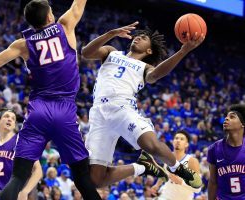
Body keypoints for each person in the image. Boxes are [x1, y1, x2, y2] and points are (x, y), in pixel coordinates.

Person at [0, 0, 102, 199]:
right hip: (65, 111)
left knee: (17, 177)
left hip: (38, 112)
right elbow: (78, 4)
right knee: (82, 177)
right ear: (50, 17)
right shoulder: (65, 25)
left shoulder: (23, 44)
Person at [82, 22, 204, 189]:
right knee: (96, 181)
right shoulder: (111, 52)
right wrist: (110, 33)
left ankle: (178, 168)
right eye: (138, 35)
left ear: (149, 51)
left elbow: (154, 76)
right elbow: (86, 53)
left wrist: (183, 51)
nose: (138, 37)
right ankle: (143, 167)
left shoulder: (145, 66)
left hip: (123, 108)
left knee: (151, 145)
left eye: (144, 37)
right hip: (98, 114)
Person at [0, 108, 42, 200]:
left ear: (14, 125)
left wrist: (25, 191)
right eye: (6, 116)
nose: (10, 119)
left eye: (13, 118)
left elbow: (38, 171)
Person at [207, 104, 245, 199]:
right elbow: (212, 182)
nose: (226, 119)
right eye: (226, 116)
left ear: (242, 124)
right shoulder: (214, 149)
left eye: (232, 117)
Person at [152, 130, 201, 200]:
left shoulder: (192, 161)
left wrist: (180, 181)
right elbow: (164, 173)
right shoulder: (168, 156)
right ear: (173, 142)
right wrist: (157, 185)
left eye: (182, 139)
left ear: (186, 144)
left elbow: (198, 189)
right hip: (166, 196)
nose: (178, 140)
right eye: (176, 138)